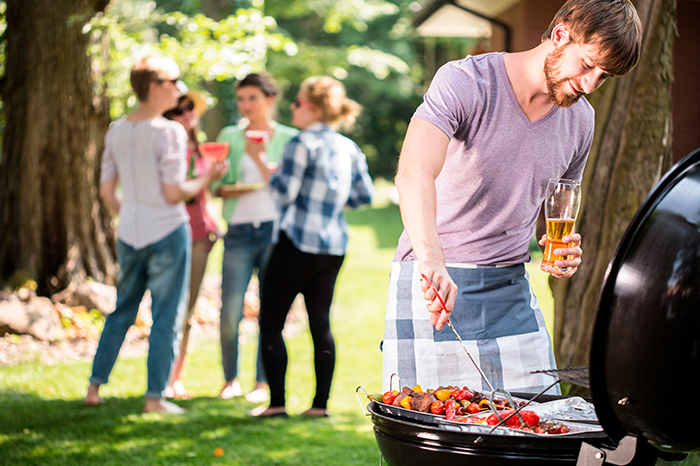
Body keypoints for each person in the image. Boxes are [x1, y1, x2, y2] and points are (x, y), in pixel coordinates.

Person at [382, 0, 642, 394]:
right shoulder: (467, 81)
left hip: (509, 291)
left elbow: (559, 202)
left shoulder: (581, 120)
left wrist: (564, 247)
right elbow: (414, 172)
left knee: (532, 429)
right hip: (432, 282)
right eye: (588, 65)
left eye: (604, 77)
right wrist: (431, 259)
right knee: (430, 433)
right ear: (560, 35)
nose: (590, 84)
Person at [84, 55, 228, 413]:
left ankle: (93, 389)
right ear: (153, 87)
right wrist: (209, 177)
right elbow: (174, 193)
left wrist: (132, 215)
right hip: (167, 231)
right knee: (167, 316)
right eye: (173, 82)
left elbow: (106, 191)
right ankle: (154, 399)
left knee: (121, 311)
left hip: (129, 232)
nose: (179, 89)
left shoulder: (116, 129)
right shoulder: (170, 131)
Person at [249, 76, 374, 418]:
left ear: (314, 108)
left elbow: (281, 194)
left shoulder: (301, 143)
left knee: (271, 323)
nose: (293, 107)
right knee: (320, 323)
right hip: (332, 247)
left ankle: (276, 404)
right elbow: (364, 197)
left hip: (295, 244)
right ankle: (320, 406)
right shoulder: (348, 147)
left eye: (299, 102)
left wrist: (263, 165)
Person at [211, 73, 298, 401]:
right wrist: (219, 183)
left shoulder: (289, 138)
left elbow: (288, 188)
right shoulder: (228, 136)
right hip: (238, 231)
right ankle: (230, 379)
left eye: (253, 98)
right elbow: (216, 186)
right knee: (230, 311)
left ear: (270, 99)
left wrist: (258, 155)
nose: (246, 105)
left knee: (269, 312)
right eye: (241, 98)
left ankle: (262, 383)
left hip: (275, 231)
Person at [162, 90, 221, 400]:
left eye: (189, 108)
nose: (187, 114)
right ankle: (162, 378)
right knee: (171, 309)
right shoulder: (168, 150)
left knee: (188, 311)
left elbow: (203, 196)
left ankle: (175, 378)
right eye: (179, 110)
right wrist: (209, 176)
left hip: (200, 236)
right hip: (172, 234)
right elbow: (184, 193)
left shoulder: (199, 149)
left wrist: (213, 225)